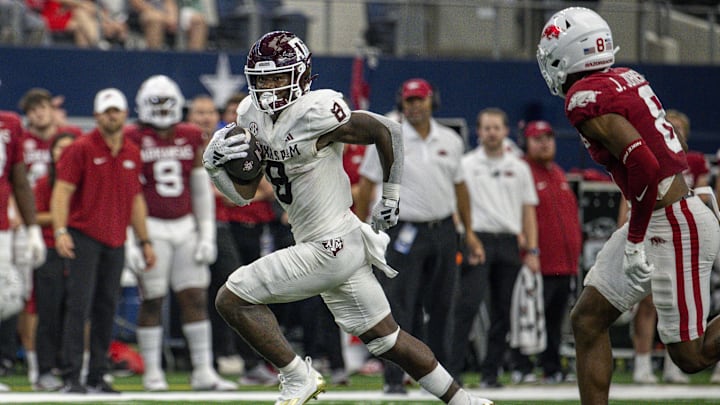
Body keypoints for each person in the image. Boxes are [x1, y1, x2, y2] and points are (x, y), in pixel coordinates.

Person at [203, 30, 493, 405]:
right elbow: (243, 196)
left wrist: (391, 194)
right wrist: (215, 170)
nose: (270, 88)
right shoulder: (249, 114)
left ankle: (297, 376)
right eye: (262, 80)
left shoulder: (316, 110)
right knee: (387, 339)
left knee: (231, 298)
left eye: (278, 77)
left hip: (331, 244)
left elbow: (385, 129)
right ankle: (464, 401)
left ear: (302, 76)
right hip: (331, 244)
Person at [537, 7, 720, 404]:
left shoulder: (584, 97)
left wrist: (635, 237)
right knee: (587, 320)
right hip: (665, 213)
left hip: (672, 223)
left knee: (691, 355)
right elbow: (674, 146)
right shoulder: (625, 78)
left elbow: (645, 165)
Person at [356, 77, 484, 394]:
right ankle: (393, 379)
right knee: (400, 306)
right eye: (410, 101)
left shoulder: (450, 140)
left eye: (420, 100)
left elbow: (460, 188)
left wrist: (469, 232)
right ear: (403, 103)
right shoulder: (389, 136)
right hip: (403, 231)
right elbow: (366, 185)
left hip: (442, 230)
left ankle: (446, 380)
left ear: (431, 101)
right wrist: (359, 229)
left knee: (443, 305)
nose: (415, 106)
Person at [126, 76, 236, 392]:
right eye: (156, 103)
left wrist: (206, 235)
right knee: (153, 299)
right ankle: (152, 372)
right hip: (151, 227)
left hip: (185, 224)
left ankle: (202, 370)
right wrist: (133, 238)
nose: (161, 110)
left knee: (195, 298)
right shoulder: (133, 136)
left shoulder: (189, 134)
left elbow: (201, 190)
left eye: (166, 103)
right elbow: (127, 191)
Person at [51, 88, 156, 393]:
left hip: (115, 238)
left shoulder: (132, 152)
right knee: (79, 306)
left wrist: (144, 240)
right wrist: (61, 231)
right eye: (107, 111)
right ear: (97, 116)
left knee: (106, 307)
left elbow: (135, 199)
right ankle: (72, 375)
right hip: (84, 236)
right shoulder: (80, 148)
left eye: (117, 110)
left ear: (125, 114)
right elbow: (62, 192)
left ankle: (97, 374)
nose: (113, 116)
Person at [450, 107, 539, 387]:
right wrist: (465, 236)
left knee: (504, 312)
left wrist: (533, 250)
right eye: (486, 128)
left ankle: (491, 374)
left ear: (505, 131)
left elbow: (529, 212)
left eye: (496, 127)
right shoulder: (466, 164)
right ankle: (451, 374)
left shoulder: (520, 167)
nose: (491, 133)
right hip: (478, 240)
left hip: (510, 242)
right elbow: (454, 208)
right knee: (467, 306)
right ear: (478, 132)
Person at [622, 108, 708, 384]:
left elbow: (703, 197)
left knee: (679, 302)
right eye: (669, 126)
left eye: (679, 127)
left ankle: (675, 364)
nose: (675, 131)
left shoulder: (693, 161)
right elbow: (628, 197)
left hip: (682, 234)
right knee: (648, 301)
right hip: (650, 231)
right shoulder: (645, 156)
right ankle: (643, 363)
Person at [15, 87, 82, 385]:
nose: (37, 115)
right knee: (30, 301)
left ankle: (75, 363)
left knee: (77, 304)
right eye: (31, 111)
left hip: (69, 236)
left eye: (41, 108)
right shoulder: (22, 142)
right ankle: (35, 365)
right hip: (30, 229)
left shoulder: (72, 137)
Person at [518, 120, 582, 383]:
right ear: (527, 142)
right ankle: (520, 366)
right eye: (537, 138)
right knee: (531, 317)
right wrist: (527, 250)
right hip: (538, 262)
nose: (544, 143)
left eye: (548, 137)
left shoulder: (558, 173)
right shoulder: (523, 172)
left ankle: (551, 367)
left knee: (555, 320)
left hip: (564, 264)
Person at [0, 110, 46, 392]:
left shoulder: (10, 123)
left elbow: (19, 179)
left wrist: (32, 229)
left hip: (2, 228)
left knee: (9, 297)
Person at [31, 132, 76, 391]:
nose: (64, 153)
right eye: (59, 148)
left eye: (69, 148)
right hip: (49, 247)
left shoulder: (83, 178)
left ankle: (73, 366)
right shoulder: (42, 182)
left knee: (76, 312)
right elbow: (34, 215)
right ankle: (44, 369)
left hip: (78, 248)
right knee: (48, 311)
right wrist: (62, 217)